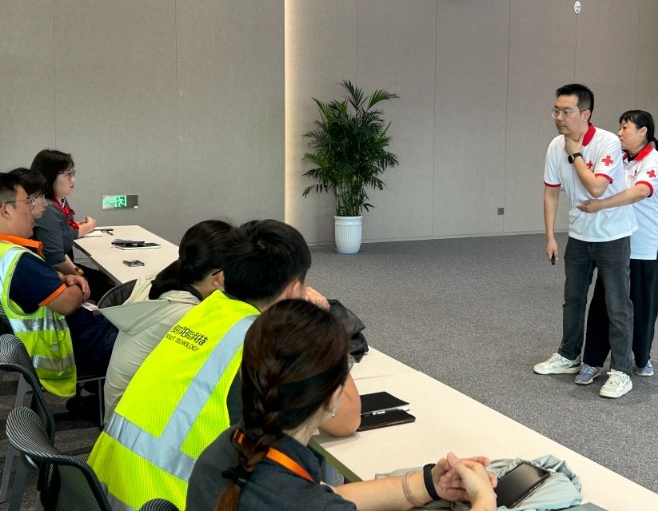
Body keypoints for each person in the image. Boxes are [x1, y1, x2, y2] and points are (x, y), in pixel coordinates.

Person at [88, 219, 362, 511]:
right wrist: (320, 326)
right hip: (170, 498)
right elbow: (346, 421)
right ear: (295, 289)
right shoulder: (264, 339)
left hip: (100, 491)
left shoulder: (202, 311)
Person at [187, 299, 498, 511]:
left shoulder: (222, 452)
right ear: (330, 398)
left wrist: (429, 483)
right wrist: (484, 500)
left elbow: (330, 495)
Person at [533, 83, 638, 399]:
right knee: (573, 298)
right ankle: (568, 355)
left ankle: (621, 371)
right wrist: (550, 236)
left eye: (566, 111)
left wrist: (575, 152)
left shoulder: (607, 143)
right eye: (556, 111)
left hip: (612, 235)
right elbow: (551, 192)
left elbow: (596, 188)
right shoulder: (555, 145)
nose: (559, 117)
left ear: (585, 114)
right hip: (579, 235)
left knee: (617, 304)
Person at [99, 219, 235, 418]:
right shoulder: (188, 315)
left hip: (123, 418)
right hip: (140, 422)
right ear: (221, 276)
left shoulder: (162, 286)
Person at [576, 110, 658, 382]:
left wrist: (601, 205)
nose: (619, 133)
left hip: (646, 248)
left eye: (625, 127)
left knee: (642, 307)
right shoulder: (620, 158)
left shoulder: (653, 161)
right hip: (617, 244)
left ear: (643, 131)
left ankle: (641, 358)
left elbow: (640, 191)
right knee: (603, 304)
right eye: (619, 127)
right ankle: (592, 361)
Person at [0, 171, 90, 396]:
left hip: (27, 348)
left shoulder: (6, 253)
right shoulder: (19, 259)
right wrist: (79, 285)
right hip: (56, 350)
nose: (33, 209)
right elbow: (67, 304)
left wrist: (64, 278)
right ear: (6, 210)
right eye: (28, 202)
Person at [29, 149, 114, 298]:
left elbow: (67, 232)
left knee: (106, 280)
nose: (73, 180)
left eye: (73, 173)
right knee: (108, 287)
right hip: (55, 274)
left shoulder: (60, 201)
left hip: (63, 266)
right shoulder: (47, 209)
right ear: (49, 176)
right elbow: (56, 258)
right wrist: (90, 225)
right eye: (68, 175)